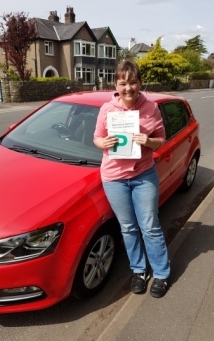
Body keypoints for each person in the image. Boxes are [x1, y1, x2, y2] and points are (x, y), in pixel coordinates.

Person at [93, 61, 170, 298]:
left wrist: (148, 141)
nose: (128, 88)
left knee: (150, 227)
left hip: (143, 175)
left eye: (133, 82)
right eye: (123, 82)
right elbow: (97, 137)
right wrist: (102, 143)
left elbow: (161, 139)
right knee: (128, 228)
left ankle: (161, 274)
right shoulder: (107, 109)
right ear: (116, 84)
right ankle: (138, 270)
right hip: (114, 178)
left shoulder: (151, 108)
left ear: (140, 83)